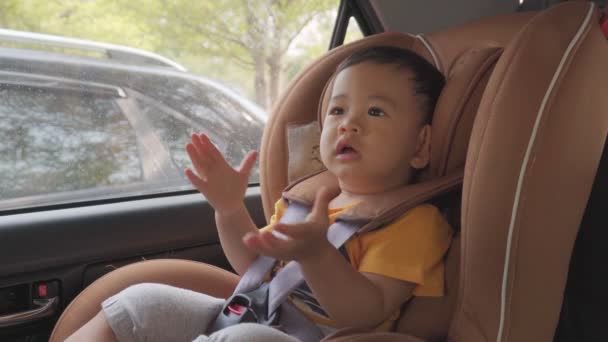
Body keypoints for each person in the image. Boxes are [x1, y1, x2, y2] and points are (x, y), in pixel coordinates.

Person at [65, 46, 451, 342]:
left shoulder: (414, 222)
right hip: (253, 318)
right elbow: (251, 266)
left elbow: (367, 312)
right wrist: (229, 210)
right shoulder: (305, 201)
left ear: (420, 145)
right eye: (337, 111)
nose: (349, 124)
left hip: (324, 337)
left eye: (376, 112)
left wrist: (318, 256)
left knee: (240, 337)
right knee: (142, 302)